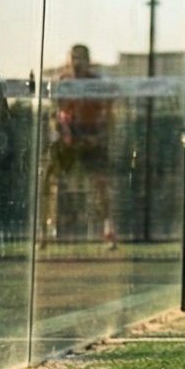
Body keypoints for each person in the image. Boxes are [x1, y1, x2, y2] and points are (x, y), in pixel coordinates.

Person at [47, 43, 120, 248]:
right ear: (68, 60)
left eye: (81, 58)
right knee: (53, 182)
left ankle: (108, 231)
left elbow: (110, 115)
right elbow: (54, 113)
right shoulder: (61, 82)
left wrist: (99, 138)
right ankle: (48, 231)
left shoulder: (98, 83)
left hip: (92, 137)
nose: (77, 63)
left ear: (88, 61)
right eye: (74, 58)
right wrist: (62, 133)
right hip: (68, 138)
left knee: (101, 185)